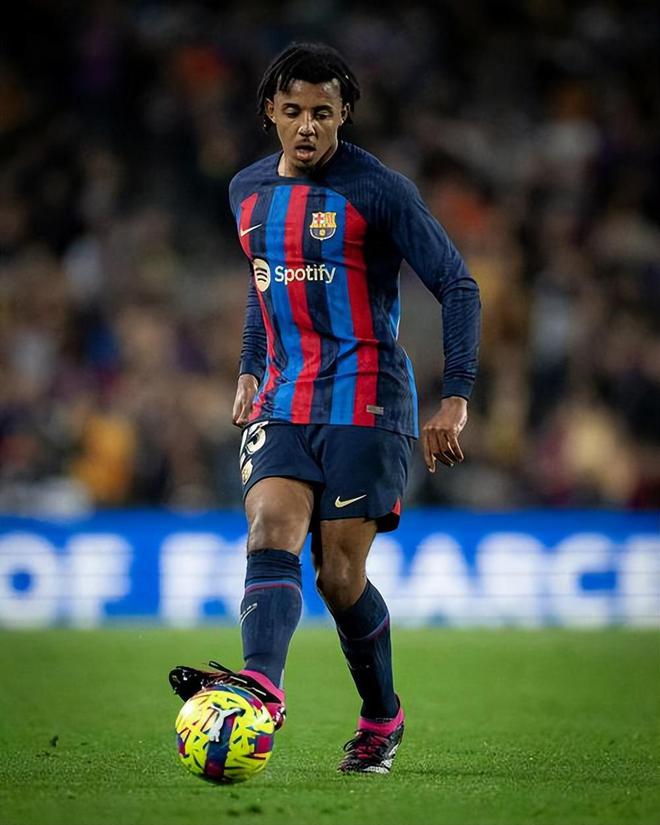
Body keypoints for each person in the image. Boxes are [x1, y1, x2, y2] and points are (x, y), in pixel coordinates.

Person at [169, 41, 480, 774]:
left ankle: (382, 716)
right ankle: (260, 689)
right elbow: (263, 282)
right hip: (285, 397)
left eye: (322, 112)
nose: (306, 125)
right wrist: (250, 366)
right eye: (293, 111)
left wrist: (457, 396)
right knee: (269, 528)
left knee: (339, 578)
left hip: (366, 400)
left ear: (344, 115)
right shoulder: (246, 190)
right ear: (269, 113)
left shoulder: (380, 190)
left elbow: (457, 285)